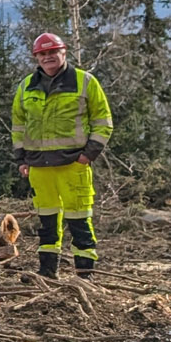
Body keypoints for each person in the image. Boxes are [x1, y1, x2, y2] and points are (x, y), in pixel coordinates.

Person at [12, 32, 113, 279]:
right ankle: (47, 272)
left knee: (79, 220)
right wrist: (21, 159)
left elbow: (103, 121)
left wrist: (88, 155)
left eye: (52, 52)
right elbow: (18, 125)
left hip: (73, 164)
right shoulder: (26, 86)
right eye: (42, 54)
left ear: (64, 52)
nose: (48, 57)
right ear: (36, 57)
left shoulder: (84, 81)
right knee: (46, 222)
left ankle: (84, 275)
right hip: (39, 166)